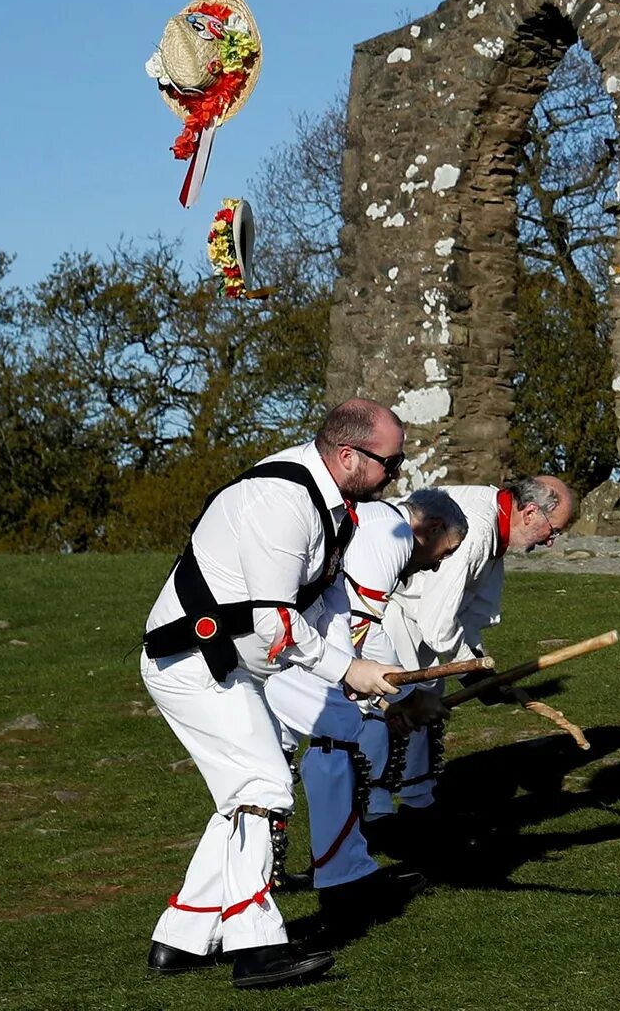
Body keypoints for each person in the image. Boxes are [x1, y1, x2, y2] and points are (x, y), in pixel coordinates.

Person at [138, 399, 404, 990]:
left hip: (228, 667)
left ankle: (182, 934)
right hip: (192, 660)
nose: (398, 475)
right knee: (263, 784)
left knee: (245, 789)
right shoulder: (282, 501)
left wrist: (372, 678)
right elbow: (275, 625)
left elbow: (327, 609)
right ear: (347, 456)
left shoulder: (335, 507)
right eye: (392, 463)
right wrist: (348, 671)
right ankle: (257, 946)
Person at [263, 490, 462, 929]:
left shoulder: (372, 524)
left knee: (269, 764)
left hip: (277, 643)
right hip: (274, 646)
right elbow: (359, 629)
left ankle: (253, 889)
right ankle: (341, 883)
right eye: (443, 553)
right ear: (429, 529)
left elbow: (351, 625)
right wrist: (405, 697)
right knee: (339, 734)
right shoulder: (389, 537)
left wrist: (391, 693)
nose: (436, 566)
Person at [372, 473, 577, 817]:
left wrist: (479, 664)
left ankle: (417, 803)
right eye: (552, 531)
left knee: (428, 697)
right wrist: (472, 675)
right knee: (393, 705)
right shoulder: (478, 530)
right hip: (388, 608)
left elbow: (463, 612)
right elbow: (439, 625)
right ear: (529, 513)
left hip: (414, 613)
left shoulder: (496, 517)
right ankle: (375, 812)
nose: (550, 541)